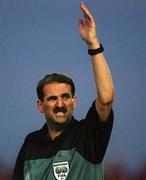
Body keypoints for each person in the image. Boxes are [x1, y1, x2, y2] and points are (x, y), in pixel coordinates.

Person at [12, 2, 114, 180]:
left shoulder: (88, 135)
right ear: (40, 105)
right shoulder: (31, 143)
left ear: (74, 101)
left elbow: (106, 99)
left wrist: (93, 44)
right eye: (52, 99)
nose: (60, 104)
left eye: (65, 97)